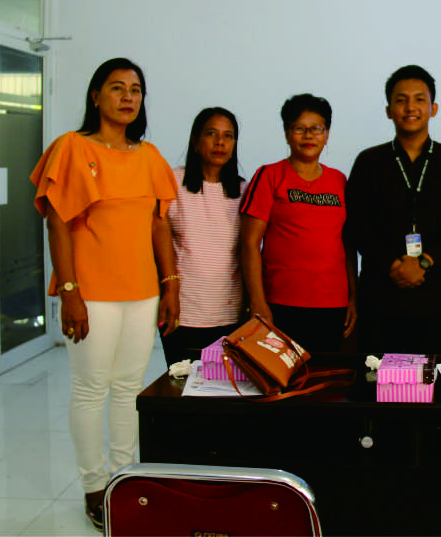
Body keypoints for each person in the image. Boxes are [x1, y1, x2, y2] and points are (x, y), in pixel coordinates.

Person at [30, 58, 179, 531]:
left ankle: (123, 477)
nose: (128, 97)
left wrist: (170, 284)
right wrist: (69, 292)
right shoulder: (71, 148)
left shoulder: (149, 155)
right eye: (117, 88)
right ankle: (94, 486)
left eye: (135, 89)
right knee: (91, 388)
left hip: (141, 292)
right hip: (91, 292)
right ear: (96, 96)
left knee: (129, 388)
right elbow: (57, 224)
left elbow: (159, 226)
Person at [345, 65, 441, 353]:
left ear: (433, 108)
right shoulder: (369, 161)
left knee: (430, 376)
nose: (410, 108)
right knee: (375, 377)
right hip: (379, 297)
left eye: (419, 99)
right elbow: (358, 226)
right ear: (388, 110)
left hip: (434, 297)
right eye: (401, 100)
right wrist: (395, 264)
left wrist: (423, 263)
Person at [239, 94, 356, 352]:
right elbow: (249, 243)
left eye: (316, 128)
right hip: (281, 304)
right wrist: (257, 302)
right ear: (286, 133)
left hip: (332, 305)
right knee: (281, 376)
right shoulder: (269, 175)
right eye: (299, 128)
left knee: (327, 376)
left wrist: (353, 298)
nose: (308, 135)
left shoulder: (339, 180)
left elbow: (348, 245)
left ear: (326, 134)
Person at [162, 107, 247, 366]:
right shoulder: (173, 181)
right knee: (182, 381)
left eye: (228, 136)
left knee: (225, 384)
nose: (220, 142)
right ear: (195, 140)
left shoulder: (243, 190)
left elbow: (248, 250)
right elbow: (157, 238)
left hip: (229, 311)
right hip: (183, 310)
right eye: (211, 134)